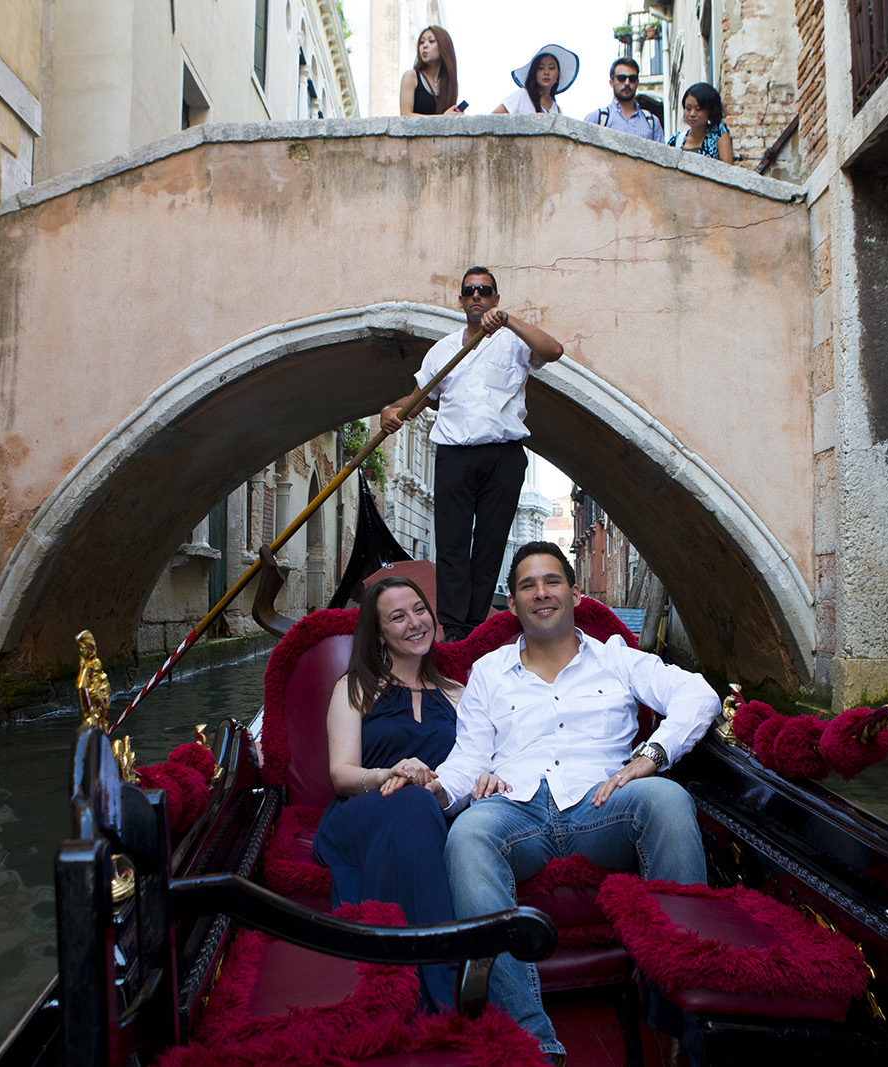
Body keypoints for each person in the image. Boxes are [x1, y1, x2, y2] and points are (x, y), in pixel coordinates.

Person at [429, 542, 718, 1061]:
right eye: (527, 586)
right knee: (468, 835)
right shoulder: (489, 673)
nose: (541, 593)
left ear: (575, 593)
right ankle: (533, 1045)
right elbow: (467, 759)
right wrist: (435, 787)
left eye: (552, 581)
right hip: (516, 809)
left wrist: (649, 757)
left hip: (602, 806)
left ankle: (680, 1024)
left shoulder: (617, 658)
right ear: (512, 605)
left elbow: (700, 696)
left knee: (668, 800)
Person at [380, 269, 564, 642]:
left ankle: (475, 627)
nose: (477, 296)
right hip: (454, 455)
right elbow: (417, 401)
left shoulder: (514, 343)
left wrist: (510, 321)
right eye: (470, 291)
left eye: (485, 291)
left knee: (490, 544)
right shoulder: (444, 350)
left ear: (495, 299)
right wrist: (391, 409)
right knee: (451, 544)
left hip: (503, 456)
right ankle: (455, 631)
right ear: (461, 301)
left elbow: (553, 351)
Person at [311, 576, 462, 1011]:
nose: (415, 622)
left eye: (419, 610)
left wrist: (434, 785)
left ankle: (409, 988)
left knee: (417, 803)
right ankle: (439, 996)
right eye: (398, 616)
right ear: (378, 634)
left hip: (435, 813)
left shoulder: (459, 695)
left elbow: (475, 769)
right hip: (362, 812)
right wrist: (387, 775)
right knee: (408, 801)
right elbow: (340, 774)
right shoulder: (354, 688)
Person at [582, 57, 664, 142]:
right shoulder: (596, 119)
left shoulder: (652, 123)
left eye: (632, 79)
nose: (627, 83)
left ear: (637, 83)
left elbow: (662, 154)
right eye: (621, 78)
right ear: (611, 82)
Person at [492, 44, 579, 115]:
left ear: (558, 75)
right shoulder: (522, 96)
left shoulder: (557, 110)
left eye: (551, 68)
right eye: (541, 68)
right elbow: (493, 119)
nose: (546, 72)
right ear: (534, 73)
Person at [399, 25, 465, 116]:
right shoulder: (411, 76)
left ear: (443, 46)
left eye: (431, 41)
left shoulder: (450, 83)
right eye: (421, 42)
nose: (424, 46)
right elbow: (405, 115)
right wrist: (442, 119)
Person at [667, 81, 733, 163]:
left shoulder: (718, 133)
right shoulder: (675, 140)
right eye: (688, 108)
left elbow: (726, 167)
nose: (692, 114)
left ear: (709, 110)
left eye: (698, 109)